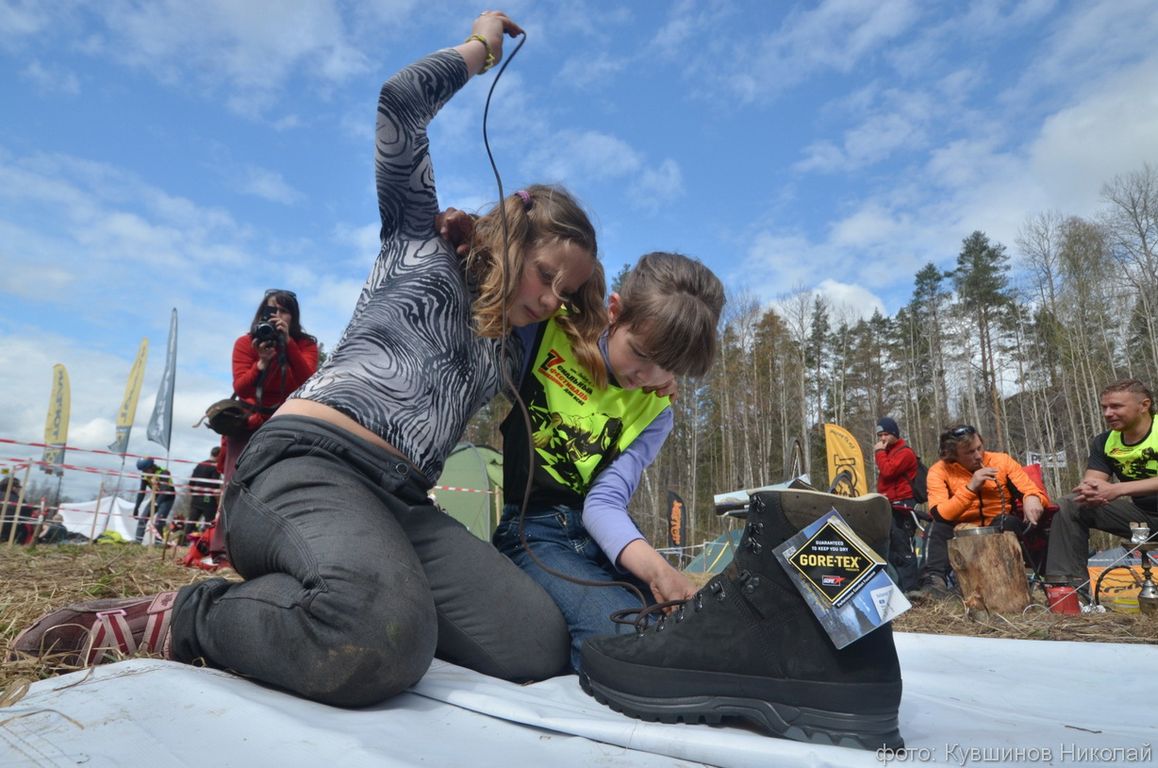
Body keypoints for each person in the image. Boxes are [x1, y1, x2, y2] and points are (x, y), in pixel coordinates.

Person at [12, 11, 604, 707]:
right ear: (509, 238)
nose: (552, 300)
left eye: (567, 293)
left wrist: (622, 329)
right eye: (546, 276)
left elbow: (611, 357)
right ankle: (187, 617)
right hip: (306, 466)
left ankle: (340, 591)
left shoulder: (514, 342)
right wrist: (480, 47)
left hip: (403, 505)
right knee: (380, 638)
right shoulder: (421, 243)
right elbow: (399, 105)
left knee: (532, 642)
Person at [494, 251, 725, 671]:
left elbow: (603, 503)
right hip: (532, 532)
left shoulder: (656, 413)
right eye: (640, 352)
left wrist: (659, 571)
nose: (647, 376)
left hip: (603, 537)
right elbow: (512, 268)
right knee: (620, 636)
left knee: (686, 631)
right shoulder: (549, 332)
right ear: (614, 312)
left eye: (668, 367)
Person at [1045, 379, 1158, 588]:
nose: (1107, 413)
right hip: (1143, 519)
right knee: (1072, 504)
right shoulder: (1105, 441)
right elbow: (1092, 483)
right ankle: (1068, 589)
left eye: (1116, 406)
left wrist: (1118, 489)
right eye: (1104, 407)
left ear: (1144, 405)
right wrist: (1090, 491)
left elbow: (1115, 490)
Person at [915, 425, 1046, 596]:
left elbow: (1031, 490)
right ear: (953, 455)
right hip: (960, 530)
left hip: (998, 526)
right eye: (970, 452)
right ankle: (933, 585)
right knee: (936, 528)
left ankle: (997, 584)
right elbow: (940, 513)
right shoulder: (939, 471)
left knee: (1008, 521)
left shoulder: (1002, 461)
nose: (978, 455)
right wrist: (971, 488)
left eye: (979, 448)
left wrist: (1032, 498)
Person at [220, 289, 319, 487]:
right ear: (262, 313)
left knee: (282, 484)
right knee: (236, 485)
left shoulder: (305, 345)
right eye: (272, 310)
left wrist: (288, 343)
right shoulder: (246, 343)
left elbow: (307, 383)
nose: (277, 315)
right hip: (248, 424)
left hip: (288, 424)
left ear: (293, 316)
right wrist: (261, 363)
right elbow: (241, 389)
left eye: (284, 311)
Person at [873, 416, 920, 592]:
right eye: (880, 436)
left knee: (903, 547)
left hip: (903, 506)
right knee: (892, 548)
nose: (882, 439)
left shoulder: (905, 453)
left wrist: (879, 452)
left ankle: (912, 590)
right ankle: (899, 589)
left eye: (886, 434)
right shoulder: (890, 452)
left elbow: (888, 471)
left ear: (894, 433)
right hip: (890, 505)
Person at [132, 457, 175, 543]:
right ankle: (137, 541)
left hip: (168, 497)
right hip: (157, 496)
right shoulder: (145, 475)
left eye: (146, 470)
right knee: (143, 518)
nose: (145, 472)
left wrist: (157, 503)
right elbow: (142, 492)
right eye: (143, 471)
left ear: (151, 466)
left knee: (159, 521)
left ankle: (158, 543)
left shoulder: (164, 472)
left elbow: (164, 489)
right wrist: (136, 507)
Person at [184, 447, 222, 538]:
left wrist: (194, 494)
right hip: (208, 499)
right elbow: (214, 485)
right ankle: (208, 541)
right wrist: (218, 500)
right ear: (219, 455)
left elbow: (191, 482)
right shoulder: (215, 467)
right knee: (210, 522)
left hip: (196, 498)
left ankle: (183, 541)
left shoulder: (200, 464)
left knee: (191, 522)